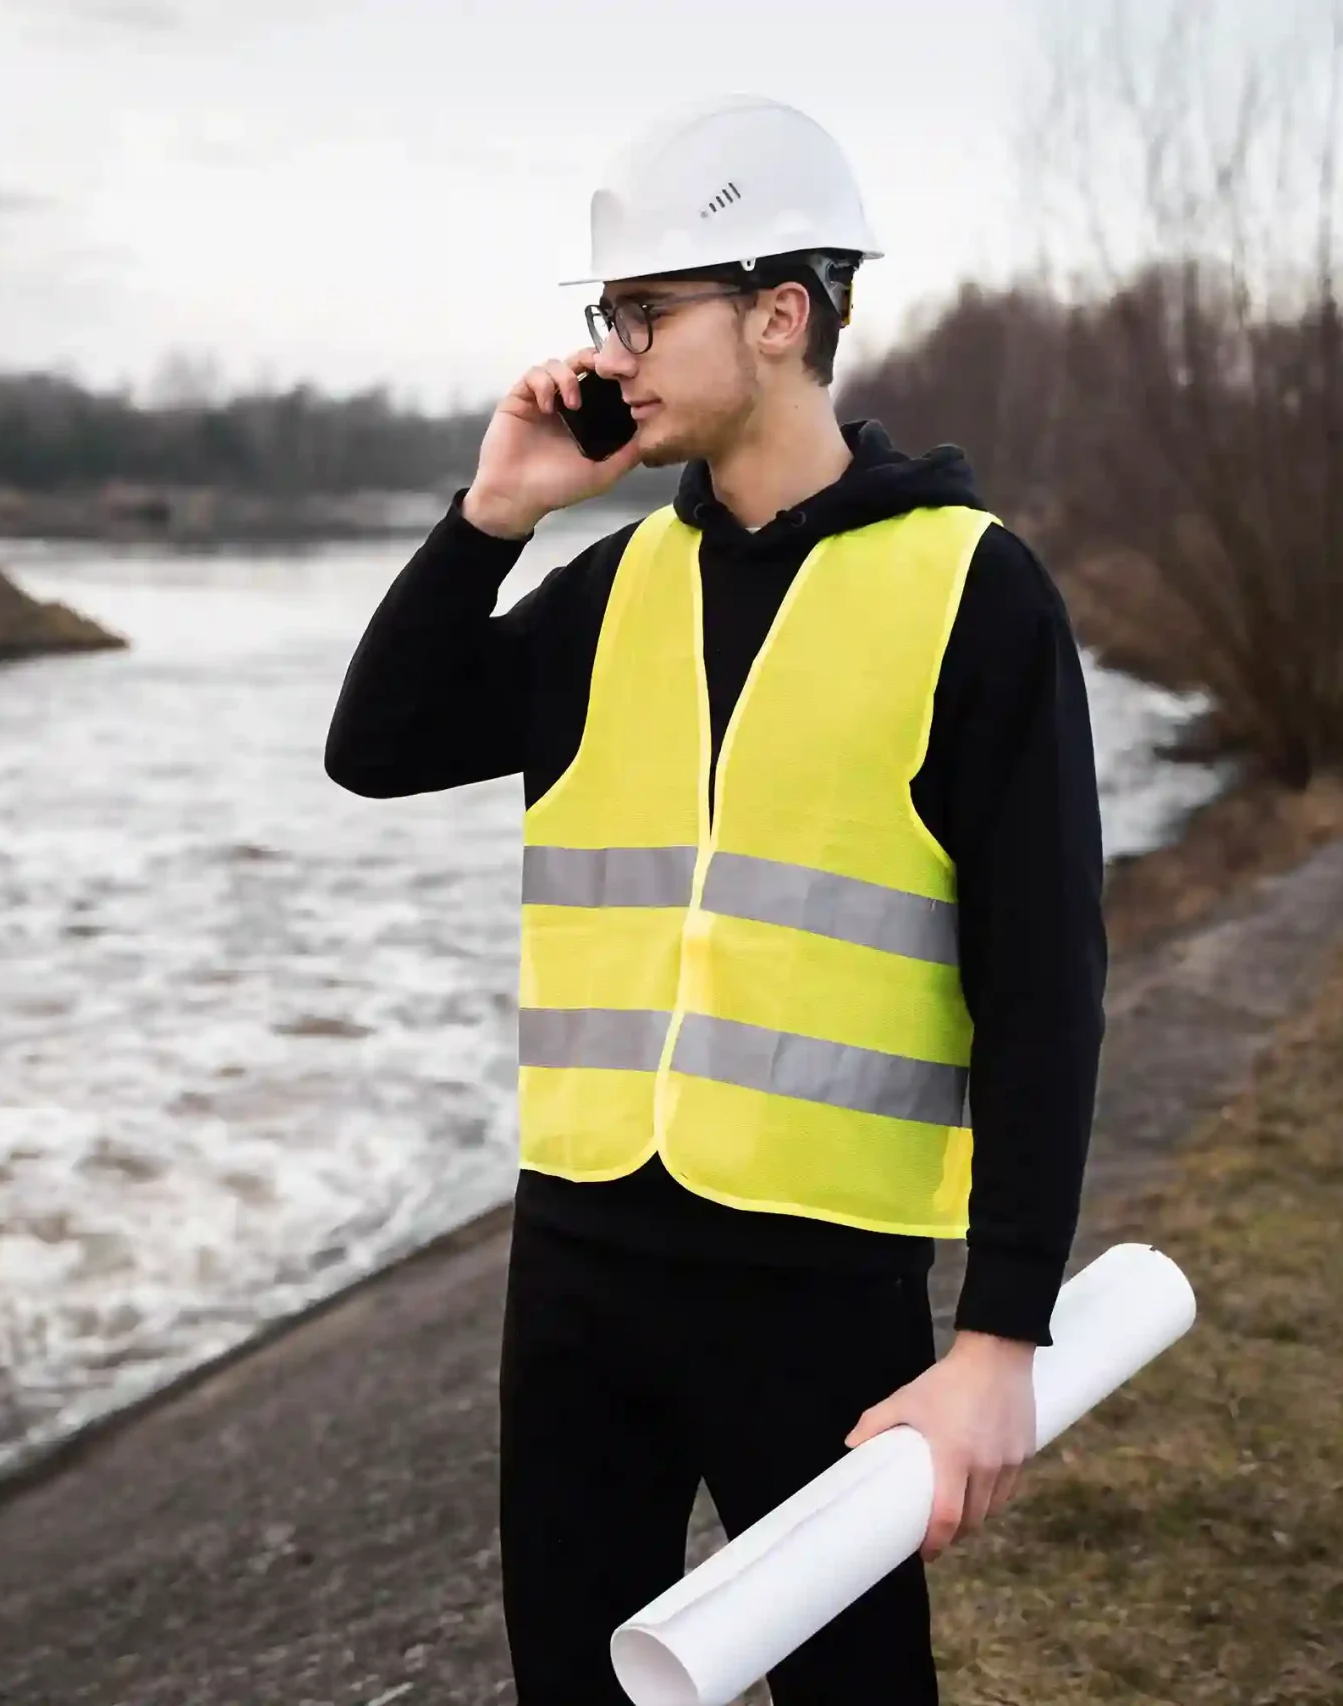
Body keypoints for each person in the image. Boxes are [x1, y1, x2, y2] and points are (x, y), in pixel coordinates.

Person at [324, 94, 1106, 1703]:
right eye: (603, 316)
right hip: (579, 1274)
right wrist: (495, 514)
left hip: (821, 1292)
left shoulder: (974, 590)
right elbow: (377, 746)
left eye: (644, 314)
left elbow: (1043, 986)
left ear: (778, 315)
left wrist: (999, 1339)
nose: (610, 356)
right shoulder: (611, 586)